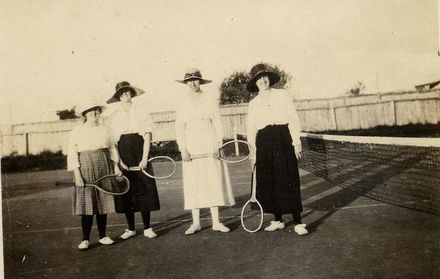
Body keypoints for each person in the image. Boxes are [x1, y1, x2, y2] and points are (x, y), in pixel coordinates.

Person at [246, 63, 308, 235]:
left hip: (283, 139)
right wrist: (254, 152)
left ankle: (298, 221)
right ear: (255, 82)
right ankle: (277, 219)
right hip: (263, 142)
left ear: (269, 79)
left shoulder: (282, 95)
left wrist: (296, 142)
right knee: (269, 180)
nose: (263, 80)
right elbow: (251, 129)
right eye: (259, 78)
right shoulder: (254, 103)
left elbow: (293, 119)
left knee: (288, 178)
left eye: (265, 77)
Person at [175, 68, 235, 235]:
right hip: (191, 143)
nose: (193, 83)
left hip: (209, 141)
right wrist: (183, 149)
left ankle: (216, 222)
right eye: (189, 81)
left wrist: (217, 145)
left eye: (195, 80)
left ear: (200, 81)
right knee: (194, 182)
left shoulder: (209, 99)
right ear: (186, 83)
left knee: (212, 179)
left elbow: (217, 122)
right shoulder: (182, 102)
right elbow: (179, 127)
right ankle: (196, 223)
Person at [107, 81, 160, 239]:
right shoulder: (113, 116)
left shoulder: (141, 111)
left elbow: (147, 135)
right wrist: (119, 162)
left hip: (140, 151)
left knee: (144, 188)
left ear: (131, 93)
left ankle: (147, 227)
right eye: (121, 93)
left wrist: (144, 158)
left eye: (127, 92)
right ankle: (130, 228)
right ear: (118, 96)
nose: (125, 95)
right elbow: (112, 142)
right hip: (123, 153)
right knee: (127, 190)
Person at [67, 101, 121, 250]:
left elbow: (112, 149)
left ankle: (103, 236)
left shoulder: (106, 129)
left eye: (96, 110)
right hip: (85, 166)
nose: (93, 113)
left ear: (99, 112)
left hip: (104, 165)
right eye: (90, 111)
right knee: (88, 204)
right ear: (85, 114)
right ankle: (85, 239)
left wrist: (116, 166)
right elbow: (72, 153)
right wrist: (77, 174)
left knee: (103, 202)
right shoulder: (77, 130)